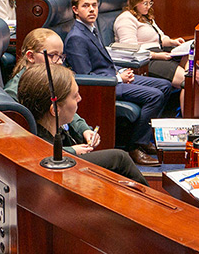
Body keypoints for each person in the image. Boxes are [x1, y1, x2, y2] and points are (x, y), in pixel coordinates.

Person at [64, 0, 172, 167]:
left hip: (113, 76)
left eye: (94, 5)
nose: (92, 10)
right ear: (75, 10)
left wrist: (119, 73)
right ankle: (135, 146)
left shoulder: (90, 28)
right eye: (86, 6)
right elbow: (86, 78)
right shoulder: (77, 37)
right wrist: (118, 78)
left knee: (165, 85)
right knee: (155, 95)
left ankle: (144, 139)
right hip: (105, 86)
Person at [18, 64, 148, 185]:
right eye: (75, 96)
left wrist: (84, 130)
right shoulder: (46, 151)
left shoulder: (42, 127)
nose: (80, 99)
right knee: (119, 158)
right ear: (55, 110)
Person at [113, 0, 186, 88]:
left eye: (150, 3)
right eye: (145, 3)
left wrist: (172, 42)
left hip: (159, 53)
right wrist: (157, 55)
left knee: (190, 63)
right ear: (135, 3)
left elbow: (161, 37)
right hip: (145, 61)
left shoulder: (146, 17)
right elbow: (130, 50)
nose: (148, 7)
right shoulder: (126, 19)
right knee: (186, 80)